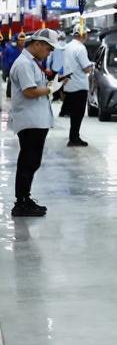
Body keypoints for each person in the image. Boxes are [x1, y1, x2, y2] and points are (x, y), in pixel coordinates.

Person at [9, 28, 62, 217]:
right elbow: (29, 91)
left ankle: (25, 199)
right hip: (30, 121)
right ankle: (21, 204)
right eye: (48, 49)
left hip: (35, 120)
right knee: (28, 162)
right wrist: (50, 89)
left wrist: (50, 86)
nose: (49, 53)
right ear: (38, 44)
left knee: (31, 162)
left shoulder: (31, 63)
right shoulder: (24, 64)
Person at [59, 28, 93, 147]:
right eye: (86, 34)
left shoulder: (67, 47)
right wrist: (91, 67)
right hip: (79, 85)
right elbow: (86, 68)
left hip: (69, 84)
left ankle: (73, 137)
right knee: (78, 114)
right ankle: (74, 138)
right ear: (83, 35)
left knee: (74, 114)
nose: (87, 36)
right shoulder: (80, 48)